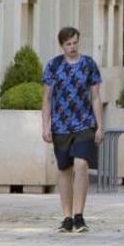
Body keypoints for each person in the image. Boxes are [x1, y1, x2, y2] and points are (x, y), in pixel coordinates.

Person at [42, 27, 104, 233]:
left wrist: (100, 126)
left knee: (82, 165)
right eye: (68, 44)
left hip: (85, 123)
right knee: (64, 170)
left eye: (75, 42)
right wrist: (46, 125)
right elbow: (47, 98)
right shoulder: (53, 66)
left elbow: (95, 97)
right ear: (62, 45)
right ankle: (67, 216)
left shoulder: (88, 65)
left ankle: (79, 214)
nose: (72, 47)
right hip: (60, 124)